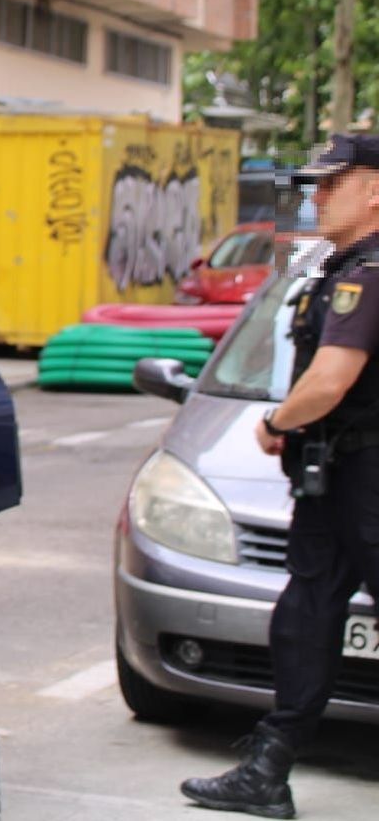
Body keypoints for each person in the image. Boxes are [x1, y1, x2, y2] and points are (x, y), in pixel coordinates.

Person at [181, 134, 379, 819]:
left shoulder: (371, 271)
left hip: (368, 476)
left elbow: (330, 379)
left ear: (375, 188)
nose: (316, 196)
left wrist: (276, 423)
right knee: (306, 618)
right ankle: (269, 765)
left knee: (311, 612)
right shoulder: (340, 265)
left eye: (332, 183)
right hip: (339, 476)